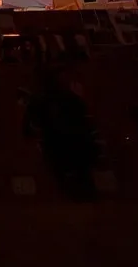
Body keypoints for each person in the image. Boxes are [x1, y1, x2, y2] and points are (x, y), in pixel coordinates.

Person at [22, 66, 99, 199]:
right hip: (71, 143)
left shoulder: (42, 100)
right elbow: (83, 118)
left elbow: (30, 123)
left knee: (66, 173)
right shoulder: (67, 98)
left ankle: (76, 193)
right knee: (78, 172)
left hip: (60, 143)